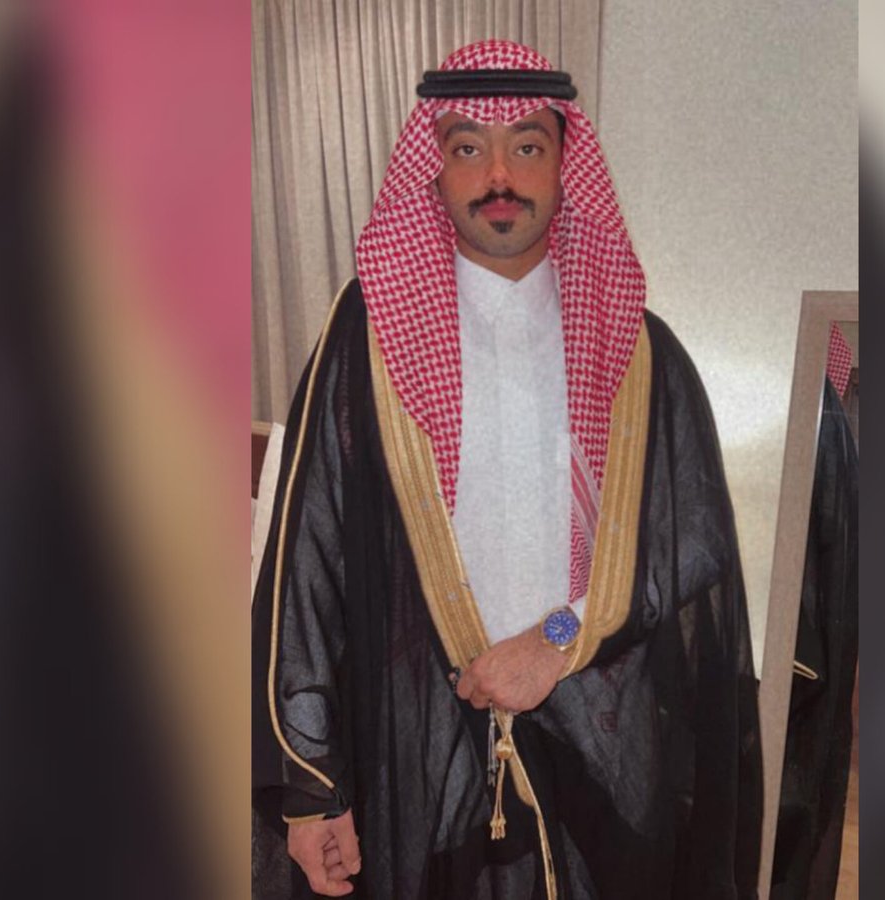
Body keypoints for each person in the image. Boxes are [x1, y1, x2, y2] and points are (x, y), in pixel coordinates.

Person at [251, 40, 762, 899]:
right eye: (467, 147)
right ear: (435, 167)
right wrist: (310, 790)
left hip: (600, 739)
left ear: (564, 162)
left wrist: (556, 641)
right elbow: (309, 568)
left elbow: (690, 544)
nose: (498, 176)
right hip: (420, 752)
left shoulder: (638, 350)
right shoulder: (367, 341)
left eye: (526, 145)